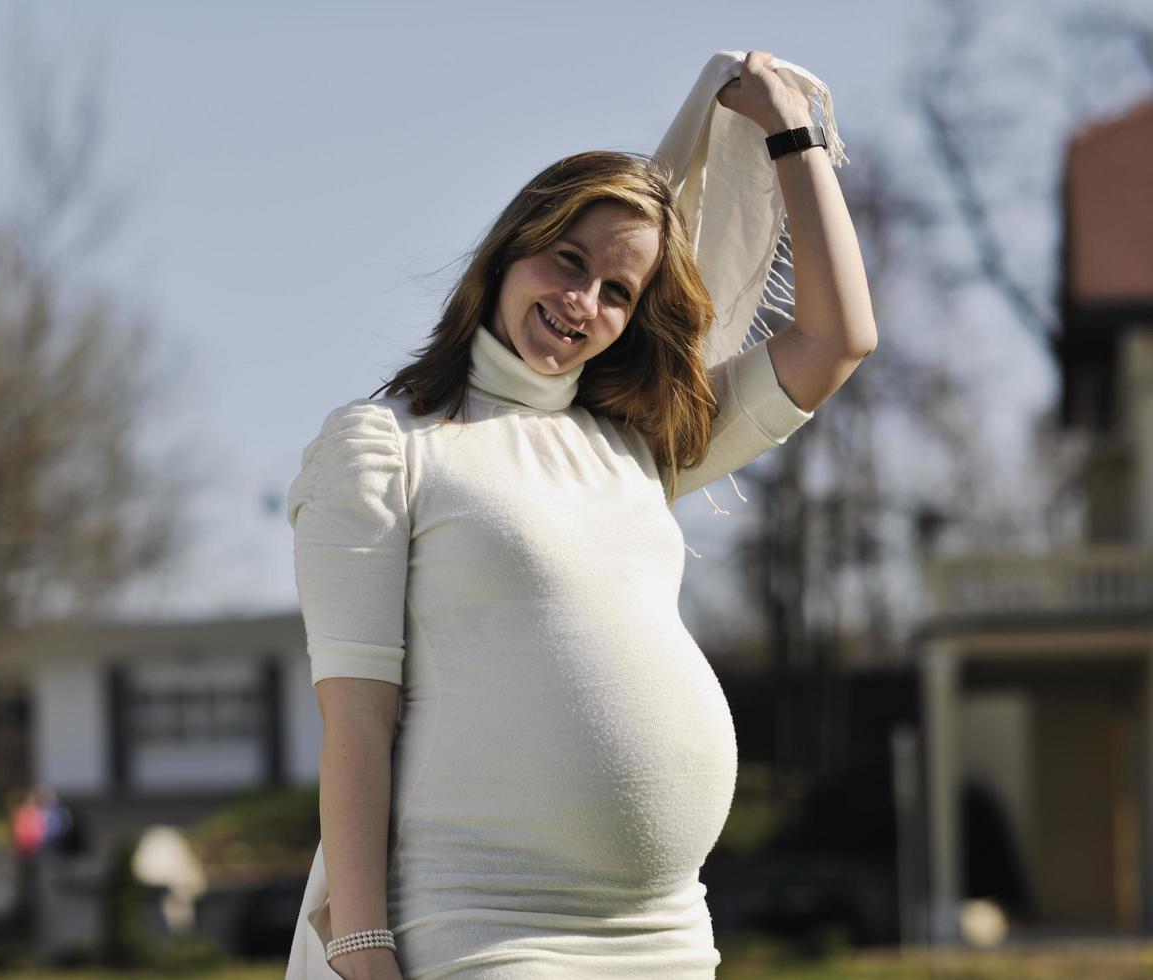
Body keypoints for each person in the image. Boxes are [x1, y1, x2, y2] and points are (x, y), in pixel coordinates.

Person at [285, 50, 876, 979]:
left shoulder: (642, 441)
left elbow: (839, 339)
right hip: (482, 922)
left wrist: (791, 134)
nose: (580, 302)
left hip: (667, 935)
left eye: (616, 293)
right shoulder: (384, 445)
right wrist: (362, 950)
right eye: (568, 261)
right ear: (511, 248)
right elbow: (355, 722)